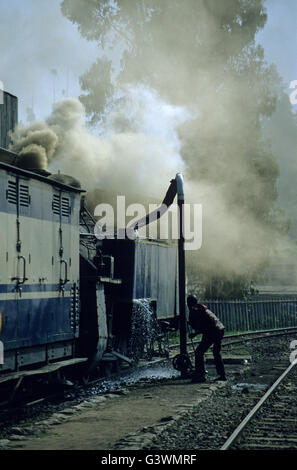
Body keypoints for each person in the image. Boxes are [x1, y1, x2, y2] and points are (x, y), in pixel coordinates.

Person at [187, 294, 226, 383]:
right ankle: (222, 375)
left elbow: (204, 326)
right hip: (219, 329)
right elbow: (206, 324)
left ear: (189, 303)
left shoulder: (195, 310)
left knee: (199, 352)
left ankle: (200, 375)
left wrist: (195, 333)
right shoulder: (202, 308)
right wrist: (195, 333)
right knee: (216, 353)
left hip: (212, 331)